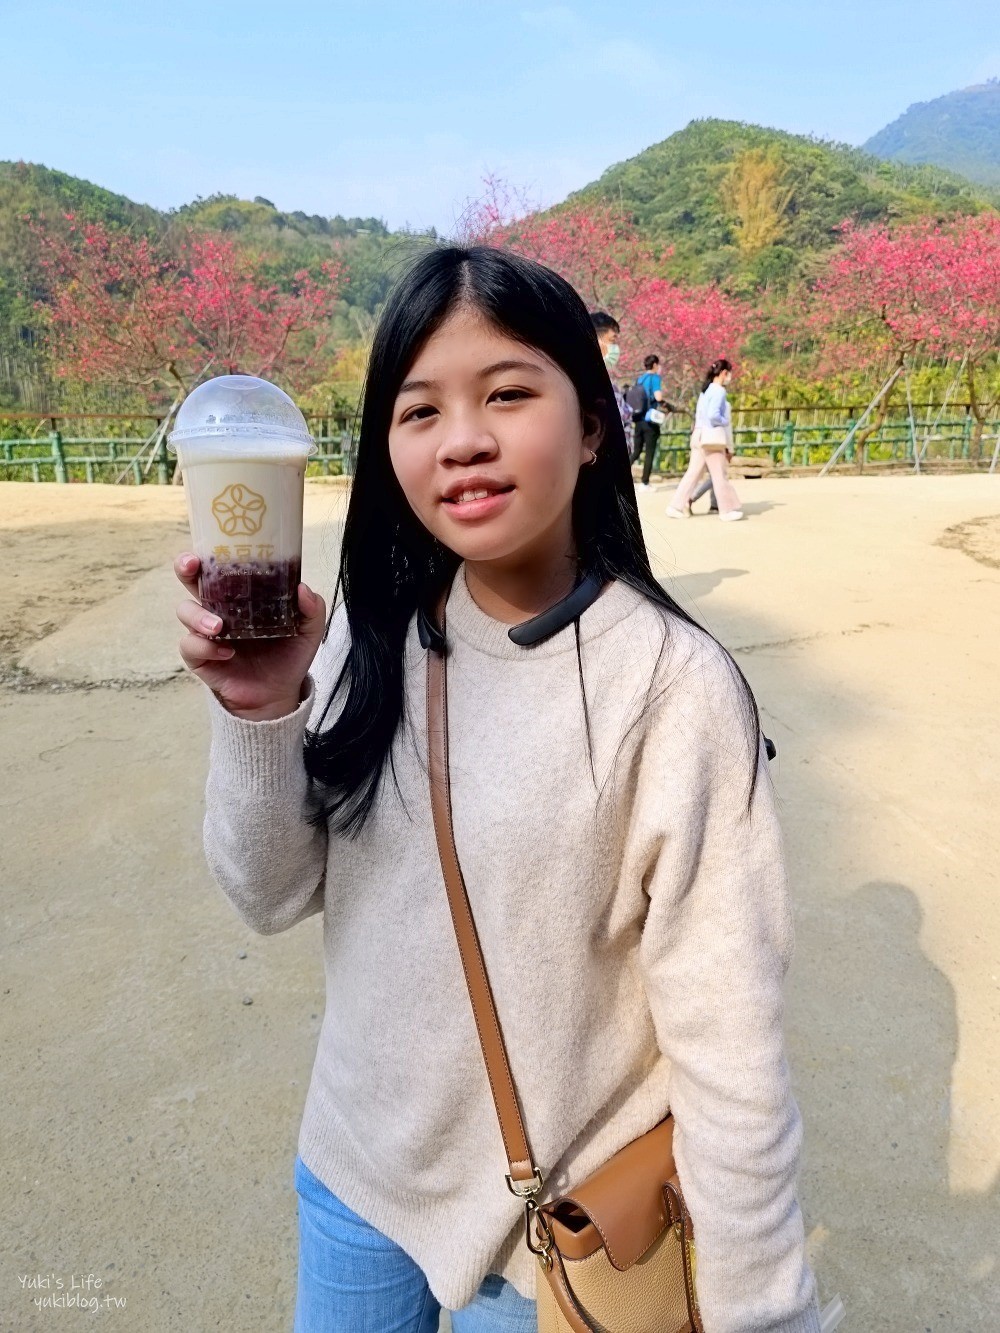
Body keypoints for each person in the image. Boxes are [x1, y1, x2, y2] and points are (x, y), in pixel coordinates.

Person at [174, 248, 820, 1333]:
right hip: (353, 1180)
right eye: (419, 409)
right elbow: (269, 893)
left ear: (593, 425)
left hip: (547, 1238)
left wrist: (761, 1311)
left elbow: (730, 1039)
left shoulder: (671, 686)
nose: (463, 437)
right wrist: (257, 709)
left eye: (509, 393)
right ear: (388, 447)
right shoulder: (369, 634)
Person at [667, 358, 743, 521]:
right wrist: (725, 421)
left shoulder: (706, 390)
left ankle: (676, 506)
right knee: (719, 475)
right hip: (712, 438)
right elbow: (714, 415)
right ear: (724, 373)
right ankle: (727, 509)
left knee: (693, 474)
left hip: (699, 435)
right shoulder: (719, 391)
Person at [629, 353, 673, 490]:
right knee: (649, 451)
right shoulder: (655, 378)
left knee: (636, 451)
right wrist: (669, 406)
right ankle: (645, 482)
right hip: (650, 420)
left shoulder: (640, 379)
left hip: (638, 419)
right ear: (654, 365)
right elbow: (658, 397)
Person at [590, 310, 633, 450]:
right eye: (612, 340)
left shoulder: (608, 381)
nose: (615, 348)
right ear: (595, 340)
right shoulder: (586, 382)